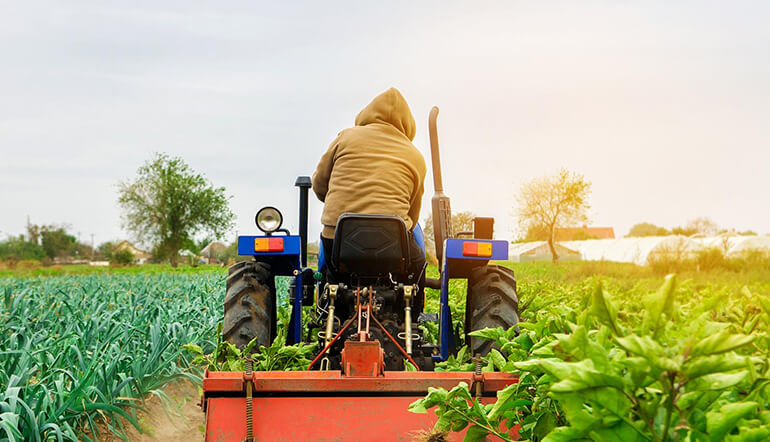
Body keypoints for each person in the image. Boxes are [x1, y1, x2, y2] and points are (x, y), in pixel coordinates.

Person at [312, 87, 427, 285]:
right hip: (392, 242)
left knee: (331, 276)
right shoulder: (415, 155)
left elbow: (319, 184)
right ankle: (411, 301)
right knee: (418, 264)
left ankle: (329, 298)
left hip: (337, 236)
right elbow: (413, 210)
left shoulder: (345, 137)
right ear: (408, 125)